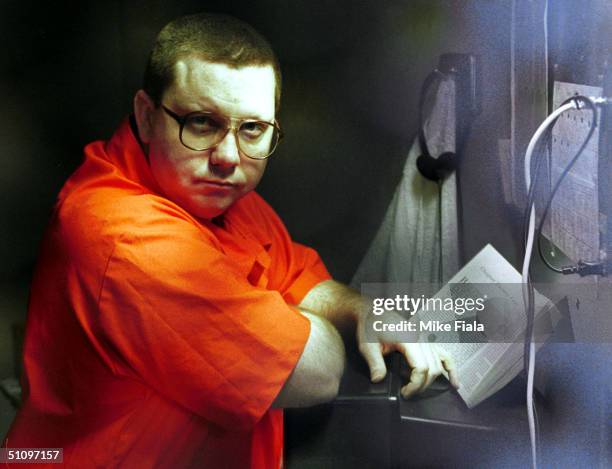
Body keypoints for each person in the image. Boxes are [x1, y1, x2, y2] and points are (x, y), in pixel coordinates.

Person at [4, 13, 458, 468]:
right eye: (201, 123)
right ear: (146, 116)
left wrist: (359, 309)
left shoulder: (215, 194)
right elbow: (314, 373)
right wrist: (298, 323)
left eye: (253, 129)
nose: (227, 157)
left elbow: (299, 277)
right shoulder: (124, 235)